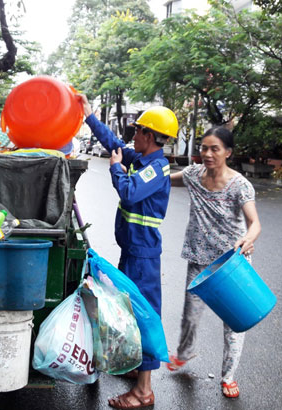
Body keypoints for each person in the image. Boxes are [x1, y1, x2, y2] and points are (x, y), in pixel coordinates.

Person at [78, 94, 178, 409]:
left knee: (145, 317)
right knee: (132, 312)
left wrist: (116, 169)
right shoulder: (143, 159)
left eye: (137, 131)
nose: (133, 135)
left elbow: (129, 193)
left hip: (143, 255)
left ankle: (144, 391)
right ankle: (138, 370)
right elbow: (114, 144)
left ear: (149, 136)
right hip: (133, 251)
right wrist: (89, 115)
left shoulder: (156, 168)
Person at [168, 126, 261, 399]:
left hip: (232, 264)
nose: (207, 154)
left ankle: (228, 376)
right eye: (203, 148)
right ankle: (185, 353)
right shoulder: (193, 175)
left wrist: (248, 238)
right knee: (190, 314)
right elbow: (163, 181)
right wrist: (138, 174)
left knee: (233, 324)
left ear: (228, 153)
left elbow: (254, 223)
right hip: (199, 259)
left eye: (214, 149)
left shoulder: (240, 185)